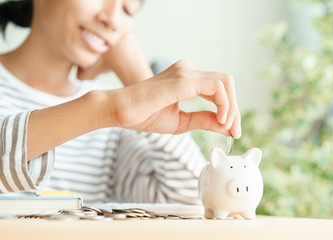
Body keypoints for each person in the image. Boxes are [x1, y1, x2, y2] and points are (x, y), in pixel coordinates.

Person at [0, 0, 241, 204]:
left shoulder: (118, 119)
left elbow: (194, 201)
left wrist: (139, 77)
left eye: (127, 10)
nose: (113, 20)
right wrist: (107, 108)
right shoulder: (109, 107)